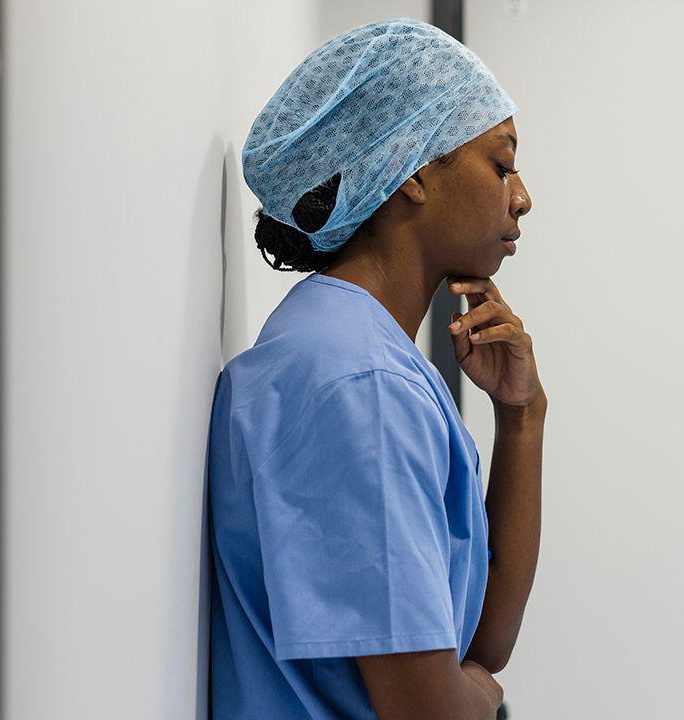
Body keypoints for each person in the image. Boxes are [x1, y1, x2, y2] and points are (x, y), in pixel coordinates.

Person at [206, 18, 544, 719]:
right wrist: (480, 695)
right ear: (413, 170)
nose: (521, 198)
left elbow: (481, 637)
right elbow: (435, 705)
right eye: (502, 164)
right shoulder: (361, 385)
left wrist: (522, 418)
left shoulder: (349, 350)